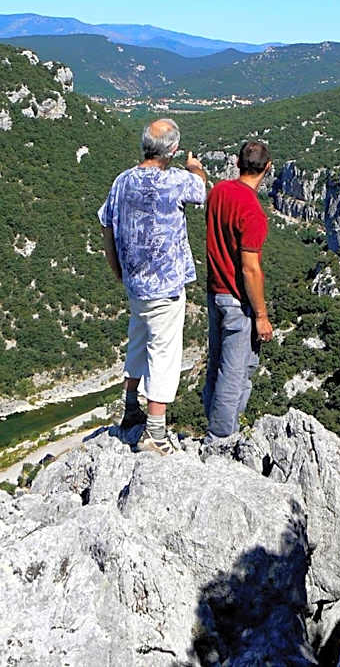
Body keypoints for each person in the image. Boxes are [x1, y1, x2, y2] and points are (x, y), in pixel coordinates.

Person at [98, 118, 206, 455]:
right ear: (172, 150)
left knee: (138, 343)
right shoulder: (175, 181)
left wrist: (118, 270)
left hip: (135, 284)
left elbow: (106, 226)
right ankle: (155, 434)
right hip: (165, 285)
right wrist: (195, 168)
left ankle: (131, 411)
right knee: (164, 354)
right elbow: (202, 191)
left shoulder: (122, 181)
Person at [202, 140, 273, 445]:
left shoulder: (219, 192)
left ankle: (213, 425)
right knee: (234, 374)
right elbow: (250, 269)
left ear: (236, 162)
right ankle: (220, 440)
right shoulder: (253, 212)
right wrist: (261, 315)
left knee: (216, 366)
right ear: (267, 169)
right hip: (237, 302)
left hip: (214, 294)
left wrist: (196, 170)